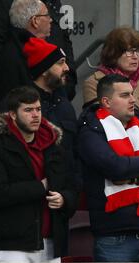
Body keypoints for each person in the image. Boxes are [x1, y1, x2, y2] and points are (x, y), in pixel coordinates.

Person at [78, 74, 139, 262]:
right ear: (106, 101)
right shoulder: (90, 131)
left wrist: (135, 179)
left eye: (132, 94)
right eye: (125, 95)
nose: (133, 100)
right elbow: (115, 167)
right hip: (113, 238)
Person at [0, 86, 77, 262]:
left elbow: (72, 185)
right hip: (12, 245)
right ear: (13, 114)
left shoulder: (53, 145)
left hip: (52, 243)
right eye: (28, 110)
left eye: (38, 109)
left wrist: (64, 199)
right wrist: (40, 187)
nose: (35, 115)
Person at [84, 27, 139, 137]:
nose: (135, 56)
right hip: (114, 143)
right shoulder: (94, 83)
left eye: (137, 51)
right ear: (113, 53)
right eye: (129, 51)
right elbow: (99, 120)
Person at [23, 37, 79, 186]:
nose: (67, 68)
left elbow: (74, 150)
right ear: (43, 70)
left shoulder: (63, 102)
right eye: (60, 63)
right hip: (36, 194)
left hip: (65, 194)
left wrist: (70, 195)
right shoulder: (22, 105)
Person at [0, 0, 52, 108]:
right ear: (35, 21)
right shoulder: (19, 57)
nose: (51, 19)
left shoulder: (11, 50)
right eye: (47, 15)